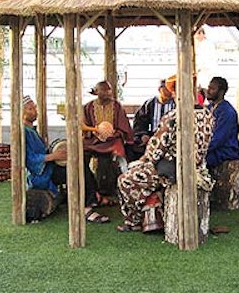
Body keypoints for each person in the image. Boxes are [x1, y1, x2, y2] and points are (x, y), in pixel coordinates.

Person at [117, 82, 215, 232]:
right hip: (199, 167)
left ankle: (133, 220)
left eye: (174, 93)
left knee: (125, 180)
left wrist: (143, 160)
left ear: (178, 94)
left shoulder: (174, 116)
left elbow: (156, 149)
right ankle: (154, 208)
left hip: (173, 169)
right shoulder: (208, 114)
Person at [23, 95, 109, 223]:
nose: (35, 111)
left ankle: (94, 197)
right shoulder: (23, 132)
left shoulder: (31, 130)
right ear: (22, 112)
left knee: (81, 164)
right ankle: (86, 208)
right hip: (41, 175)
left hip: (48, 167)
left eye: (35, 107)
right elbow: (28, 160)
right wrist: (54, 156)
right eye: (30, 109)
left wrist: (55, 154)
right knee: (77, 170)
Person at [83, 80, 134, 198]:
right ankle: (90, 189)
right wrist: (96, 131)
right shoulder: (88, 107)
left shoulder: (116, 106)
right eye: (104, 90)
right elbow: (84, 126)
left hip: (113, 139)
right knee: (81, 154)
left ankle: (122, 186)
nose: (108, 92)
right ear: (96, 92)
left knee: (119, 152)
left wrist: (112, 133)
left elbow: (123, 126)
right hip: (93, 140)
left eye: (109, 89)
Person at [130, 79, 176, 159]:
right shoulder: (149, 104)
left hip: (169, 137)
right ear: (159, 89)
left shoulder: (175, 104)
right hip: (152, 136)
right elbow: (139, 121)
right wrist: (143, 134)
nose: (169, 91)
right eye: (166, 88)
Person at [205, 77, 239, 167]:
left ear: (221, 92)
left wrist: (200, 149)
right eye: (208, 87)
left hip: (224, 151)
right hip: (212, 149)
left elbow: (218, 139)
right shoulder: (209, 108)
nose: (208, 91)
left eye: (212, 89)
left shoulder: (227, 112)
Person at [194, 27, 218, 100]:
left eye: (198, 34)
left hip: (206, 71)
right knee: (200, 90)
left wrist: (198, 68)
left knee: (205, 90)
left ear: (202, 34)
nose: (196, 37)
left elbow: (205, 59)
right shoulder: (199, 44)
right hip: (201, 73)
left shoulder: (207, 45)